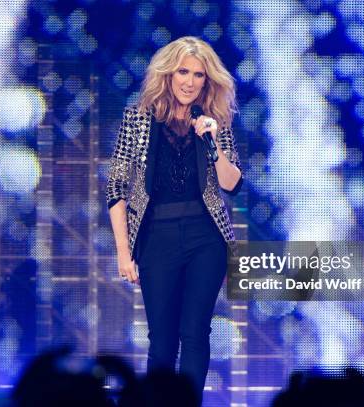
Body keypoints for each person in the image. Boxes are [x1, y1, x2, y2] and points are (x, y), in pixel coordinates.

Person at [105, 36, 242, 401]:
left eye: (198, 74)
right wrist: (123, 251)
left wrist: (212, 144)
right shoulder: (136, 120)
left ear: (207, 81)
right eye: (183, 71)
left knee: (196, 333)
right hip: (156, 238)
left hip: (206, 238)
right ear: (168, 74)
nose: (189, 81)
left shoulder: (214, 123)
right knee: (162, 338)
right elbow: (116, 187)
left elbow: (232, 184)